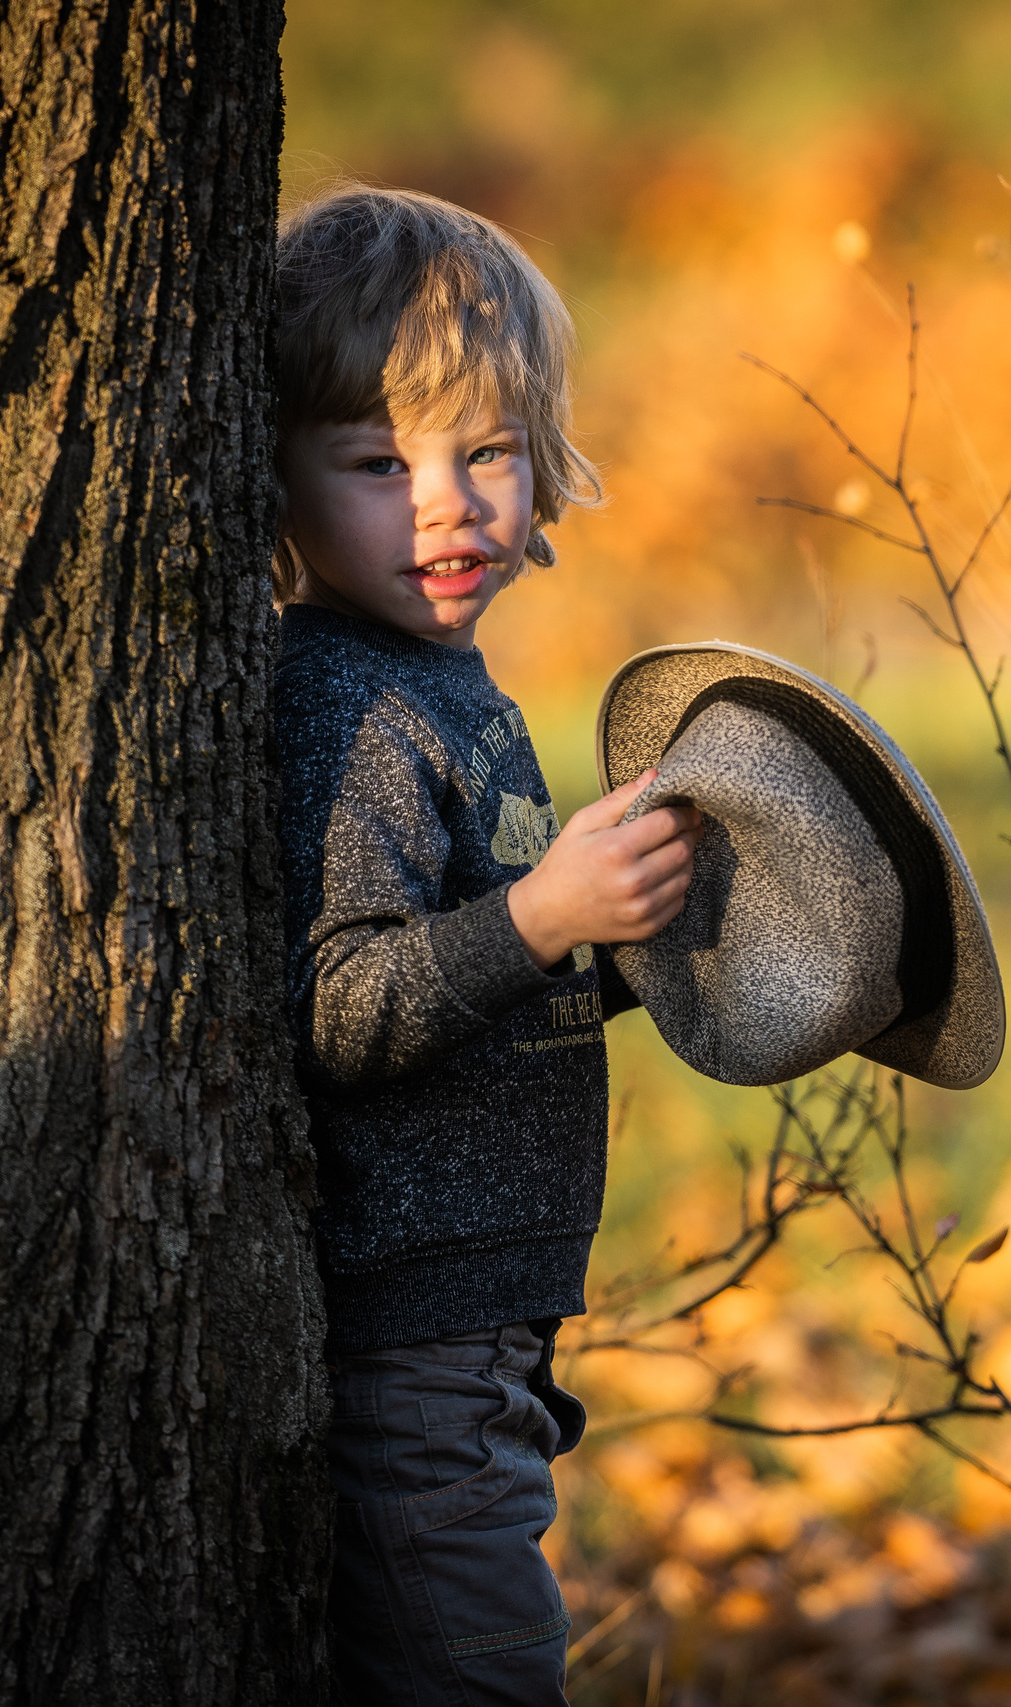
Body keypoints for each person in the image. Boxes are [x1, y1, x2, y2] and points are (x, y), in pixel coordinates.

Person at [269, 183, 699, 1706]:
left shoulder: (457, 694)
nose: (447, 504)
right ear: (277, 488)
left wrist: (629, 935)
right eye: (381, 464)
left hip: (484, 1330)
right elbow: (340, 1004)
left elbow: (493, 994)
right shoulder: (350, 705)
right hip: (411, 1349)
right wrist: (538, 916)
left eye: (487, 454)